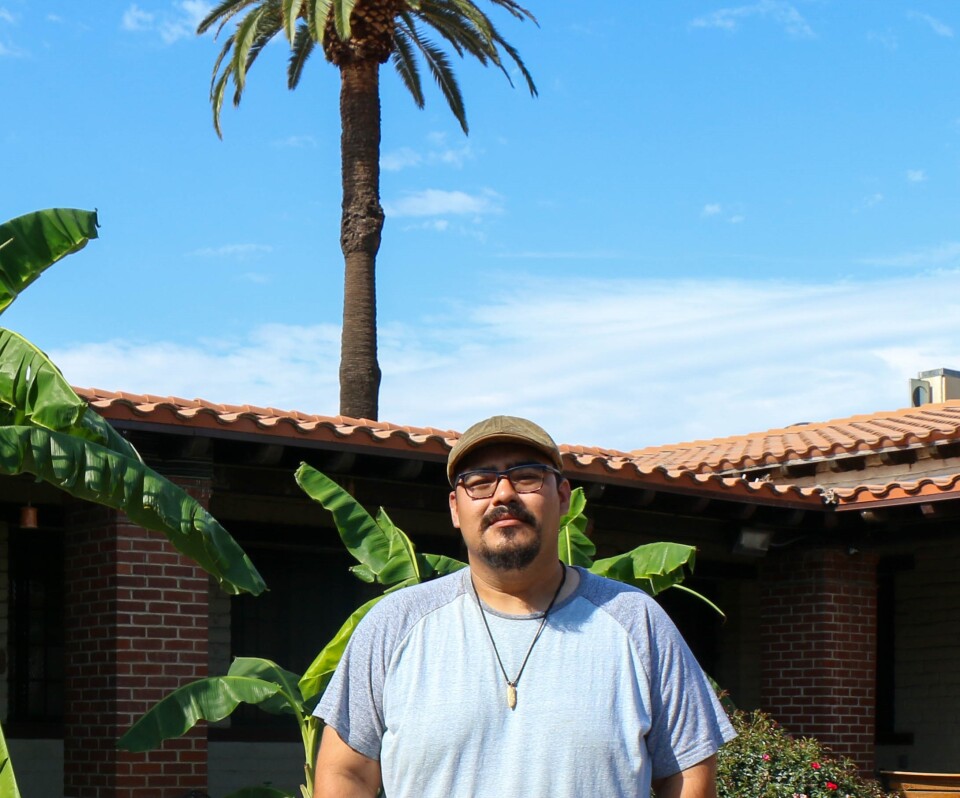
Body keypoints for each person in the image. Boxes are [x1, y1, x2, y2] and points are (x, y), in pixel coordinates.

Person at [313, 415, 735, 798]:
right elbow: (346, 773)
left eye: (528, 477)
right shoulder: (394, 624)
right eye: (479, 482)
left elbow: (686, 778)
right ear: (455, 509)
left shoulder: (636, 621)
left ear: (563, 497)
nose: (504, 494)